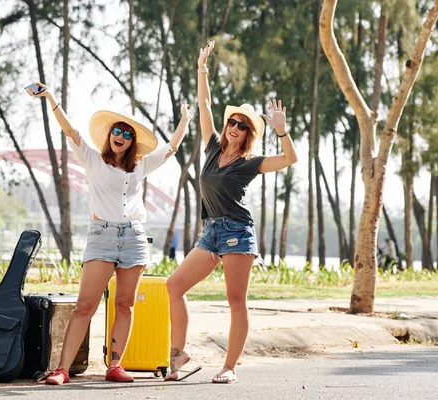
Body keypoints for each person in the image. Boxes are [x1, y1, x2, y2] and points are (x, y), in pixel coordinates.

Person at [27, 82, 193, 385]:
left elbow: (171, 148)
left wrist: (185, 120)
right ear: (109, 136)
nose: (121, 136)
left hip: (134, 239)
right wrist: (50, 97)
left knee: (124, 304)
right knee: (84, 306)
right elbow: (70, 131)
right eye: (117, 131)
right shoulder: (92, 159)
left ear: (132, 143)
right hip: (101, 236)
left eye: (128, 134)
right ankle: (62, 369)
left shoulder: (140, 167)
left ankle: (115, 365)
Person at [164, 41, 298, 384]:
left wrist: (282, 131)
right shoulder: (211, 148)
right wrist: (201, 67)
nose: (234, 127)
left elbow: (289, 160)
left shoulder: (249, 163)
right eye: (232, 122)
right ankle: (178, 356)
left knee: (235, 301)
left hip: (238, 230)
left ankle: (230, 367)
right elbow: (204, 104)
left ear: (249, 134)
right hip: (210, 231)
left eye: (242, 125)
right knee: (174, 285)